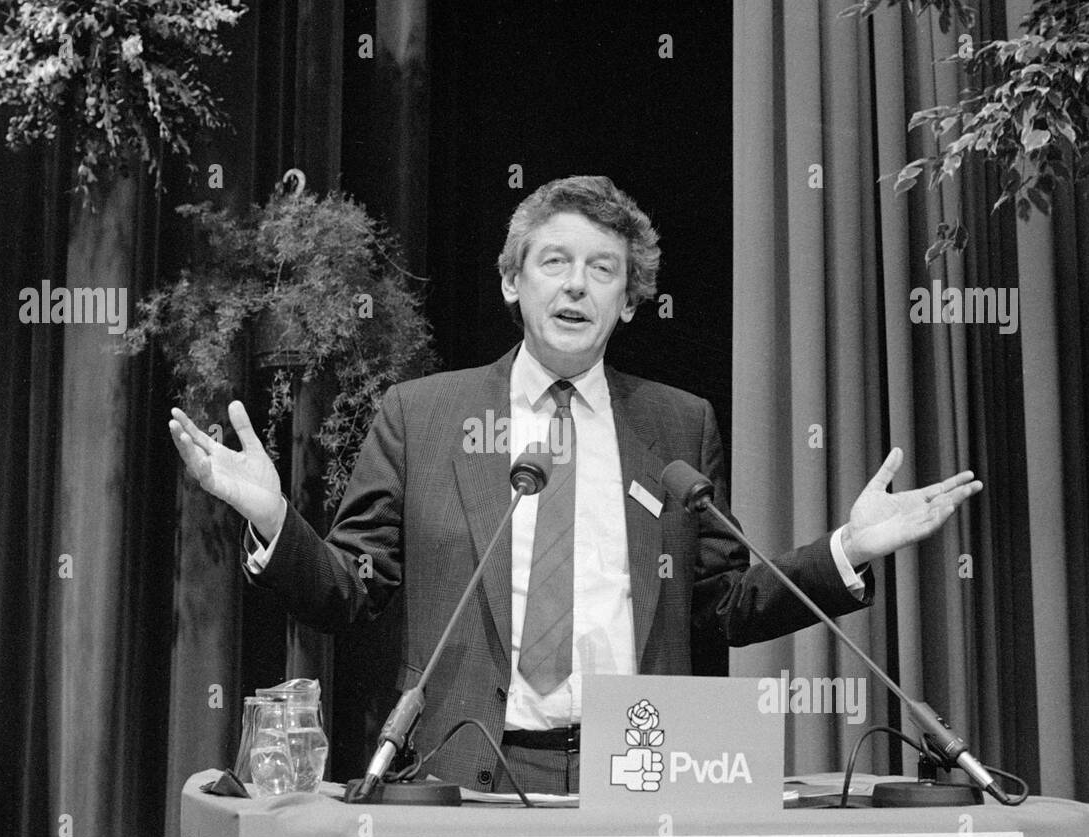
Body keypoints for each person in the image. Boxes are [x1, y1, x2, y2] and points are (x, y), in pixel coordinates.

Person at [168, 175, 983, 795]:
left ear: (628, 303)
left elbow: (725, 603)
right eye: (553, 262)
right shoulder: (421, 415)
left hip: (639, 771)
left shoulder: (675, 424)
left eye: (603, 270)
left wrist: (847, 549)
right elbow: (351, 591)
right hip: (469, 771)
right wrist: (275, 518)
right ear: (510, 282)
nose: (576, 285)